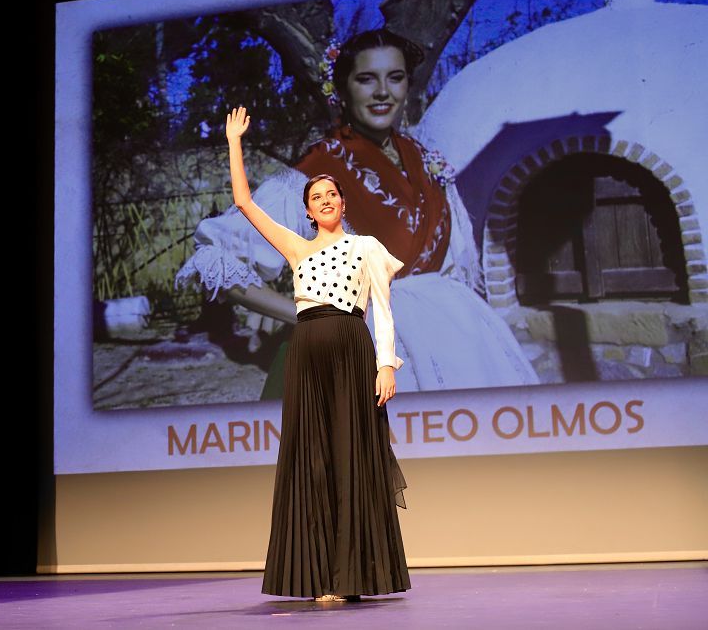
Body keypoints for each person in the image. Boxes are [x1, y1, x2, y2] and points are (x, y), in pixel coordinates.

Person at [176, 28, 538, 394]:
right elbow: (217, 254)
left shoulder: (423, 158)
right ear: (343, 91)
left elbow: (454, 265)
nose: (383, 91)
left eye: (395, 78)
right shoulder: (317, 172)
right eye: (366, 79)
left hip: (455, 337)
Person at [222, 104, 410, 601]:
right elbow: (243, 202)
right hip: (306, 351)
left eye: (331, 194)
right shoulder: (296, 249)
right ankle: (319, 576)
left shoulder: (367, 247)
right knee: (314, 460)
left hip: (351, 349)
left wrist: (386, 365)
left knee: (350, 458)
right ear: (307, 211)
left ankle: (350, 578)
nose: (324, 200)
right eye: (315, 196)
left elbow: (384, 313)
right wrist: (234, 142)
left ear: (342, 203)